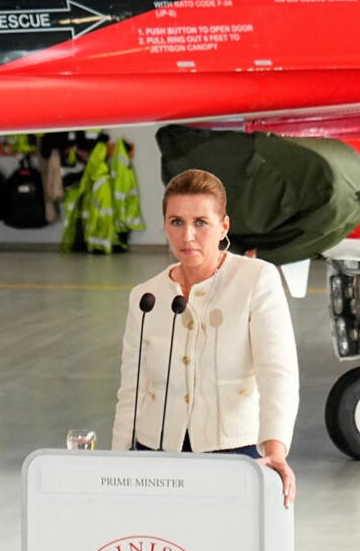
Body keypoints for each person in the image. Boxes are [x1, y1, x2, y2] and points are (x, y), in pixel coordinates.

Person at [112, 169, 299, 506]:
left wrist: (275, 449)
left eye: (200, 222)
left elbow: (278, 374)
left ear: (224, 226)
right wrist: (117, 463)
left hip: (234, 453)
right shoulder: (145, 295)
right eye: (176, 222)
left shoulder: (257, 279)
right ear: (165, 225)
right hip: (154, 453)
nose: (187, 236)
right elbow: (132, 389)